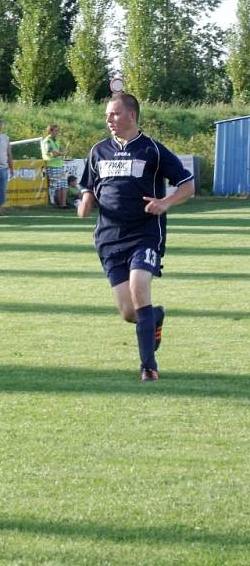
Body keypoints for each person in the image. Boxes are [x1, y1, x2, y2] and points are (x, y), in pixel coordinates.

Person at [77, 92, 194, 382]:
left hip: (144, 234)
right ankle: (155, 317)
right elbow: (89, 186)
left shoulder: (152, 150)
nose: (109, 120)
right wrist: (85, 200)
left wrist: (164, 203)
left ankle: (148, 367)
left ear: (131, 116)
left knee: (140, 287)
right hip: (108, 239)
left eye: (114, 114)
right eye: (107, 115)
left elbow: (187, 185)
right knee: (130, 312)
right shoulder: (98, 151)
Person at [41, 124, 67, 208]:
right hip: (52, 165)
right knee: (55, 185)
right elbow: (52, 154)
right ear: (50, 131)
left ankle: (63, 204)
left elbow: (58, 152)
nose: (57, 132)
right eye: (56, 131)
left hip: (59, 165)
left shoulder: (56, 141)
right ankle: (54, 203)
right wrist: (61, 153)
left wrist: (61, 153)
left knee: (63, 184)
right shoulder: (47, 141)